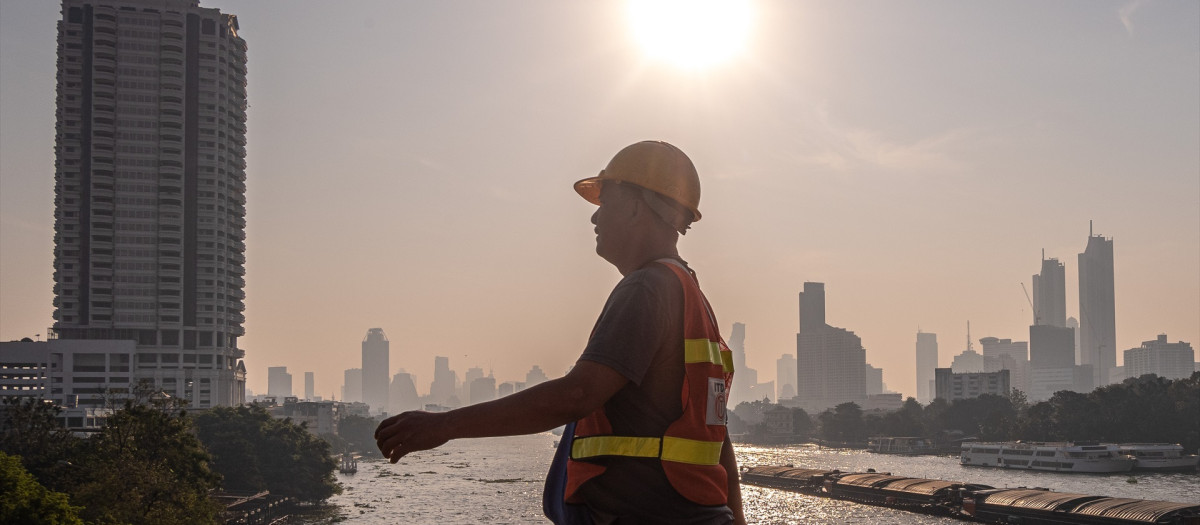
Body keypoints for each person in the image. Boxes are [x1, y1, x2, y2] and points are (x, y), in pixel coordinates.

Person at [375, 141, 745, 525]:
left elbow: (577, 394)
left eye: (606, 203)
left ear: (636, 207)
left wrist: (444, 425)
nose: (594, 219)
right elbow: (717, 437)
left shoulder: (648, 288)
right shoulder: (691, 296)